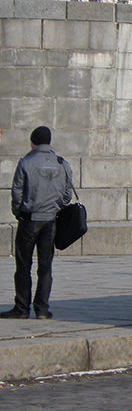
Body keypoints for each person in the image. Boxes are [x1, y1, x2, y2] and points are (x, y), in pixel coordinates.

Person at [5, 126, 74, 319]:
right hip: (50, 220)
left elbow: (17, 191)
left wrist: (18, 211)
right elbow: (67, 195)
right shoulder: (62, 163)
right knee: (45, 266)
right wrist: (55, 208)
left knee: (23, 264)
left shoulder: (26, 162)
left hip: (29, 219)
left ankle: (21, 308)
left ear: (32, 142)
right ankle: (42, 309)